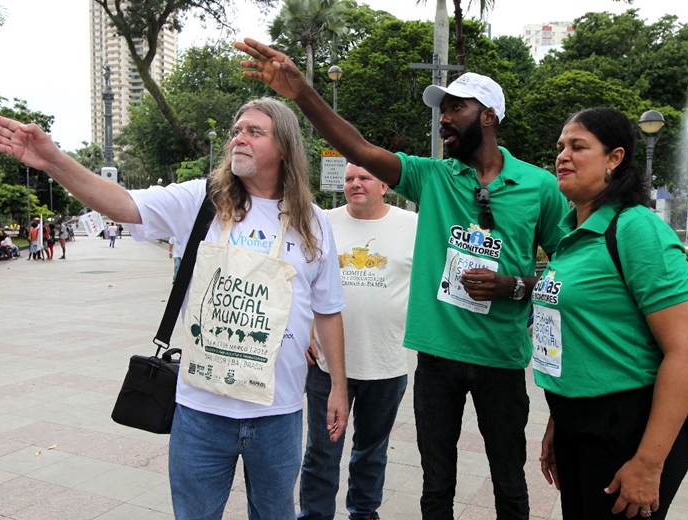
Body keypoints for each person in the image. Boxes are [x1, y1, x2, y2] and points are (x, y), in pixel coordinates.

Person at [236, 39, 568, 519]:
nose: (444, 118)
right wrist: (301, 92)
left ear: (489, 116)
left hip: (501, 359)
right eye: (442, 109)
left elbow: (568, 272)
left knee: (509, 482)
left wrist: (514, 286)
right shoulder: (433, 176)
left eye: (457, 108)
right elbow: (359, 147)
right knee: (436, 485)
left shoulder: (539, 187)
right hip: (437, 360)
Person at [0, 97, 349, 520]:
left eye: (253, 132)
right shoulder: (202, 201)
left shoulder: (313, 222)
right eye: (236, 131)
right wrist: (53, 161)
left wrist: (338, 386)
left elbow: (328, 309)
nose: (238, 139)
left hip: (279, 415)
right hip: (201, 413)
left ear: (283, 147)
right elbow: (121, 204)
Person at [532, 108, 688, 520]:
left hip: (628, 426)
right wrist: (561, 419)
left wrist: (647, 464)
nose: (562, 156)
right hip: (578, 420)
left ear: (615, 158)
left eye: (578, 146)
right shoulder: (572, 236)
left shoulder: (635, 228)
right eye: (560, 147)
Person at [299, 163, 417, 520]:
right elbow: (298, 278)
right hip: (326, 362)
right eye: (349, 178)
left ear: (384, 185)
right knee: (322, 450)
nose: (355, 184)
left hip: (386, 360)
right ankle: (315, 515)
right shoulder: (322, 221)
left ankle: (364, 511)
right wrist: (304, 330)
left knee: (372, 448)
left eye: (364, 177)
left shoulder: (413, 225)